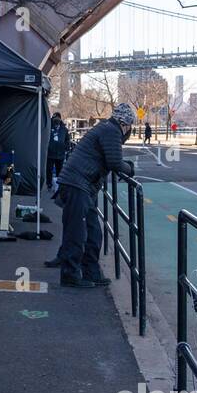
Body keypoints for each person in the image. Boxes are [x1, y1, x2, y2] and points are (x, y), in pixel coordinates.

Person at [46, 103, 136, 288]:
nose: (129, 130)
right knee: (77, 233)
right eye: (129, 126)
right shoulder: (112, 131)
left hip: (81, 184)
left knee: (93, 231)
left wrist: (122, 163)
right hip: (78, 184)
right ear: (125, 123)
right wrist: (131, 169)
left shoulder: (106, 128)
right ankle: (70, 275)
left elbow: (112, 158)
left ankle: (91, 272)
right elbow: (115, 162)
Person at [47, 112, 70, 190]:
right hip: (50, 153)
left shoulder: (64, 129)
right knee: (49, 169)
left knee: (59, 170)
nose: (56, 120)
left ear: (60, 119)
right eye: (54, 119)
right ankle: (49, 184)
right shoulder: (48, 127)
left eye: (57, 118)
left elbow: (67, 140)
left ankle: (58, 186)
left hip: (60, 153)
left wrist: (66, 148)